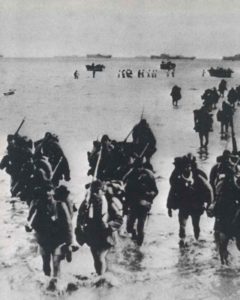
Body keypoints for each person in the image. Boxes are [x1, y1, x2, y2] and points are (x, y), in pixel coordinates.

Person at [75, 180, 123, 275]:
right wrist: (80, 229)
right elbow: (80, 217)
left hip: (106, 234)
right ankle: (100, 275)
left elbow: (119, 220)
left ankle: (102, 277)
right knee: (96, 258)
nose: (95, 194)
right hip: (92, 234)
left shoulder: (109, 203)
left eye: (98, 191)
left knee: (100, 256)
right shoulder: (86, 203)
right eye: (94, 191)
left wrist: (109, 225)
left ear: (103, 191)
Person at [167, 155, 213, 247]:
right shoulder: (177, 177)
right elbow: (172, 191)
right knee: (182, 225)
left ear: (191, 166)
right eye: (185, 166)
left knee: (195, 225)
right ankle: (182, 240)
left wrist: (208, 204)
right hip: (183, 205)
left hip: (196, 206)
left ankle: (196, 239)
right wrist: (169, 207)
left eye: (189, 166)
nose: (187, 168)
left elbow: (208, 190)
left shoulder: (198, 176)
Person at [124, 158, 158, 245]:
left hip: (144, 205)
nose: (138, 169)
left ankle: (139, 246)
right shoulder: (131, 175)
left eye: (139, 167)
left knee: (140, 227)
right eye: (136, 167)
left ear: (142, 167)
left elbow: (155, 191)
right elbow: (127, 191)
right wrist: (126, 205)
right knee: (129, 227)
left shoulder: (149, 176)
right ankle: (134, 234)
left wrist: (148, 198)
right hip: (133, 204)